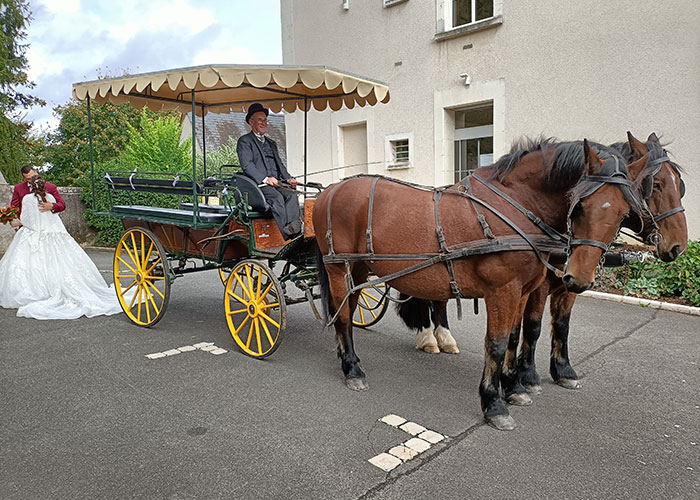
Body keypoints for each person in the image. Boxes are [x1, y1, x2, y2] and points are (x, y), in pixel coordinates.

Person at [0, 170, 123, 320]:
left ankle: (40, 291)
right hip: (54, 233)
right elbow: (16, 207)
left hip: (34, 232)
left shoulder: (37, 196)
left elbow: (57, 207)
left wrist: (48, 208)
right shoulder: (30, 191)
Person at [237, 102, 302, 240]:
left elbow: (280, 165)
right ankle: (287, 236)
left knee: (291, 194)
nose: (264, 123)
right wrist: (265, 179)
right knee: (277, 198)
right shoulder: (245, 142)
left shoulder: (271, 143)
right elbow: (247, 165)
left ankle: (294, 228)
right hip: (258, 185)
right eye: (260, 120)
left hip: (276, 183)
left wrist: (289, 178)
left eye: (265, 120)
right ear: (251, 122)